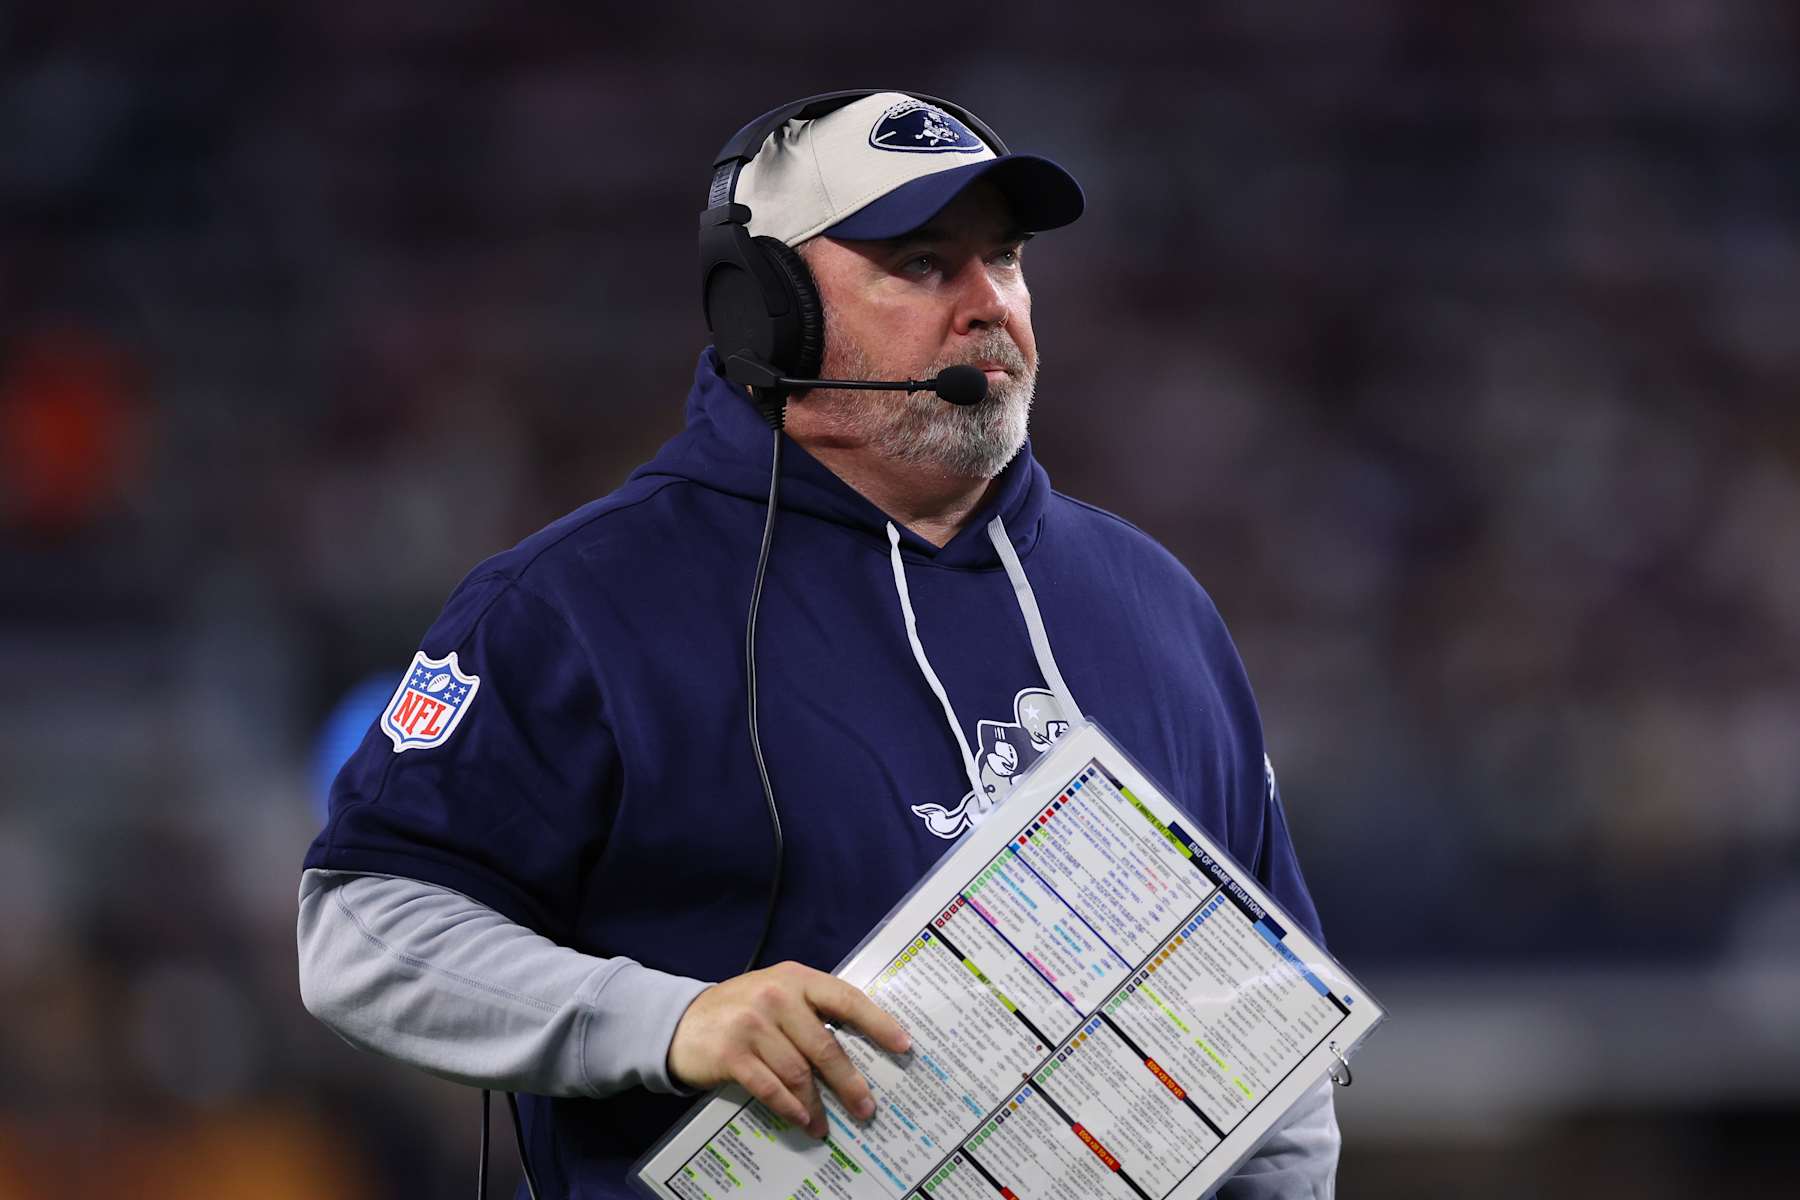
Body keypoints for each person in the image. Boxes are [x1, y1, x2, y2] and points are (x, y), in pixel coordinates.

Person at [298, 90, 1340, 1199]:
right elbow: (366, 934)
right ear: (768, 312)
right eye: (927, 264)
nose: (991, 305)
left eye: (1009, 259)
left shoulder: (1156, 607)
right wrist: (669, 1019)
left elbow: (1266, 1031)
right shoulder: (575, 606)